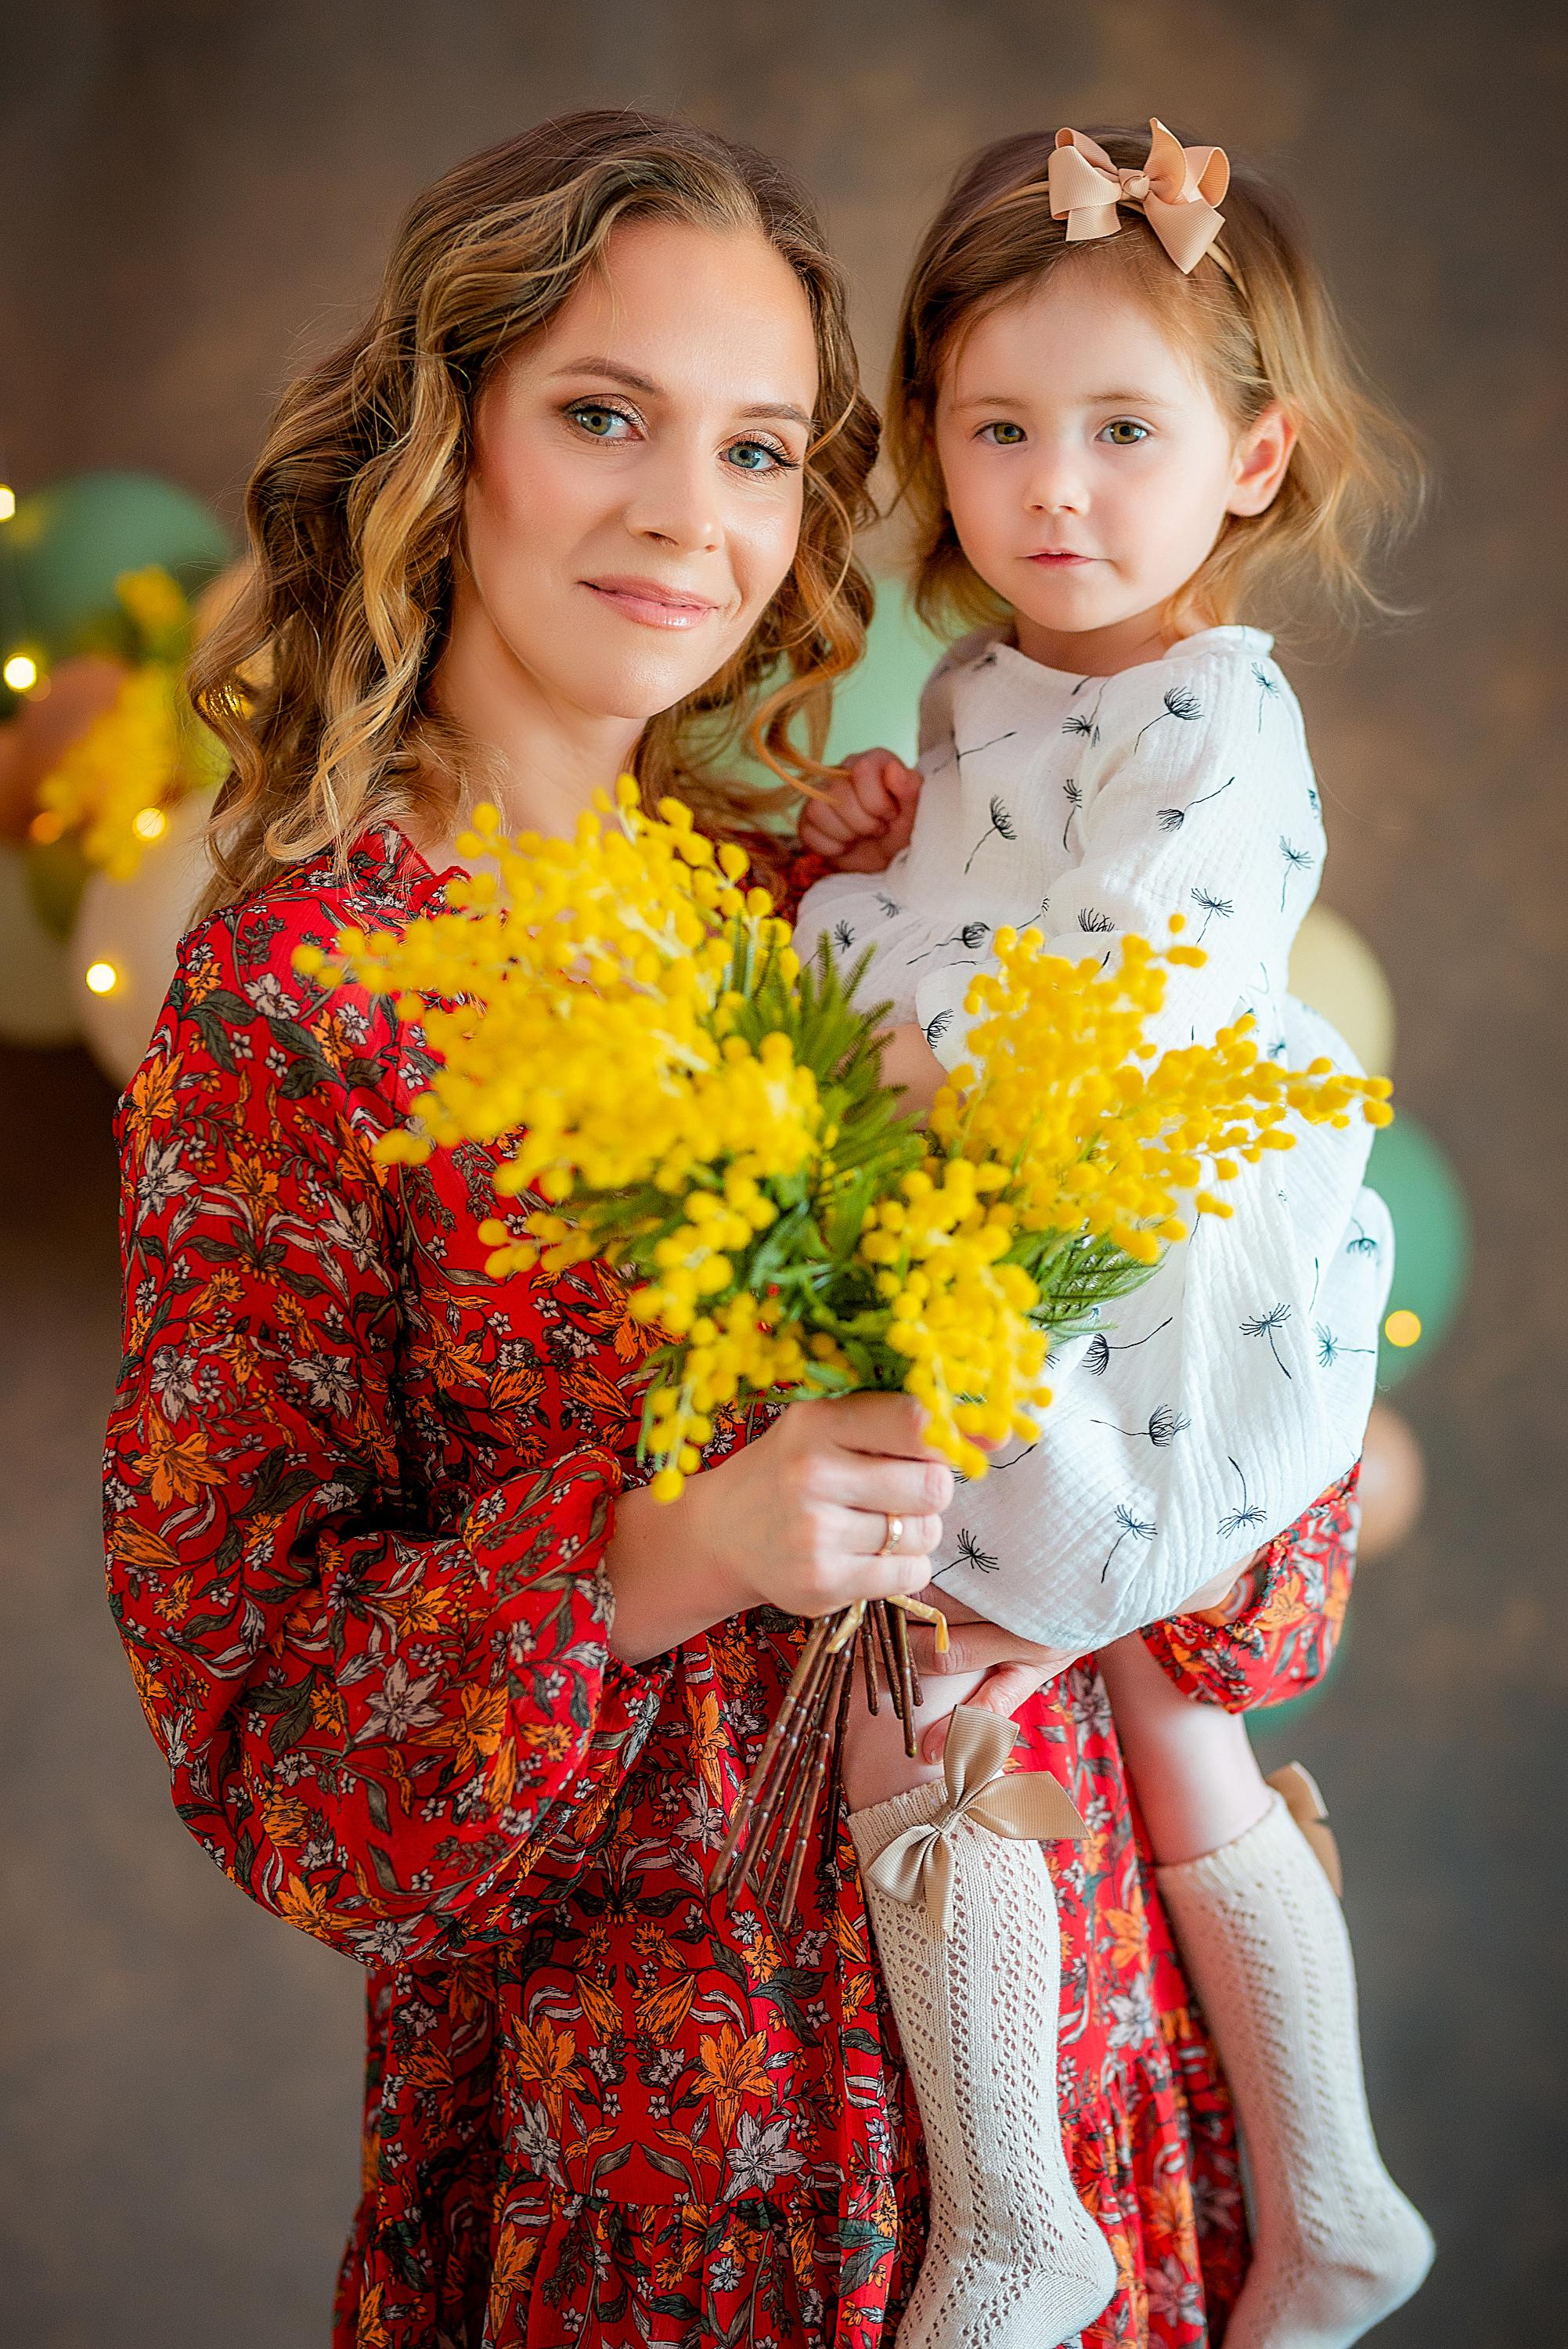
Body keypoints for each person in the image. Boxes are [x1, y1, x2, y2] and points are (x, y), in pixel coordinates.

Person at [105, 109, 1364, 2347]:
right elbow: (273, 1740)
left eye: (762, 450)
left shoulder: (864, 917)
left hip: (1072, 2095)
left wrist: (1193, 1497)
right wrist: (685, 1543)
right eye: (606, 416)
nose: (691, 516)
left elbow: (1253, 1543)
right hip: (655, 2177)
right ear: (446, 435)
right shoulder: (301, 999)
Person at [795, 120, 1433, 2347]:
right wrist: (884, 841)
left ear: (1251, 458)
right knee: (1164, 1733)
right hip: (1032, 1254)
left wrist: (851, 924)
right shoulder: (982, 695)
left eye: (1121, 432)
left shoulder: (1224, 718)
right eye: (996, 429)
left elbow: (1081, 1005)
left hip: (1155, 1293)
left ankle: (1017, 2217)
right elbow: (972, 935)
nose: (1051, 489)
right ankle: (1330, 2195)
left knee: (931, 1687)